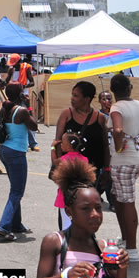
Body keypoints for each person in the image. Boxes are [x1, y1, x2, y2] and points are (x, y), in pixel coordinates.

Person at [35, 159, 129, 278]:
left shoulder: (103, 248)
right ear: (69, 211)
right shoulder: (55, 242)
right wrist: (69, 275)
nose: (95, 214)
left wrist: (122, 268)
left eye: (98, 208)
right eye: (85, 209)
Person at [53, 81, 112, 209]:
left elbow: (105, 146)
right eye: (72, 95)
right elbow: (57, 142)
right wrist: (58, 167)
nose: (72, 98)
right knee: (67, 207)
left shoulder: (100, 118)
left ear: (87, 99)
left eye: (76, 96)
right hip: (69, 172)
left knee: (86, 208)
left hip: (92, 173)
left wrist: (107, 170)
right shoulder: (66, 115)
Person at [108, 74, 139, 262]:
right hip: (136, 156)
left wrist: (118, 145)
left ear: (113, 90)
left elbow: (118, 130)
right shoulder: (138, 104)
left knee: (127, 201)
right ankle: (125, 240)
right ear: (129, 87)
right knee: (120, 199)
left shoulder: (117, 108)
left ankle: (132, 249)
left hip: (123, 159)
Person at [0, 83, 37, 242]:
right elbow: (34, 125)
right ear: (20, 94)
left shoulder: (4, 109)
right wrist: (29, 104)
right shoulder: (22, 111)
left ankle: (16, 224)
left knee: (15, 189)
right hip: (16, 153)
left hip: (5, 150)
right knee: (17, 192)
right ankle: (4, 227)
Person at [52, 132, 88, 231]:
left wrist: (53, 149)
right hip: (80, 197)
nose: (61, 144)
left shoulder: (63, 160)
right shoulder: (84, 159)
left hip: (64, 197)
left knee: (66, 224)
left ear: (69, 147)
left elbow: (54, 167)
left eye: (63, 142)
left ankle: (68, 244)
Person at [5, 54, 39, 151]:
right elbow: (7, 81)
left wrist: (23, 87)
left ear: (19, 62)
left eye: (14, 64)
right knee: (12, 118)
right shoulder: (11, 70)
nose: (13, 66)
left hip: (23, 96)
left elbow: (32, 82)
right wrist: (2, 83)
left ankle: (33, 143)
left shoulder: (26, 67)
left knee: (27, 117)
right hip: (13, 97)